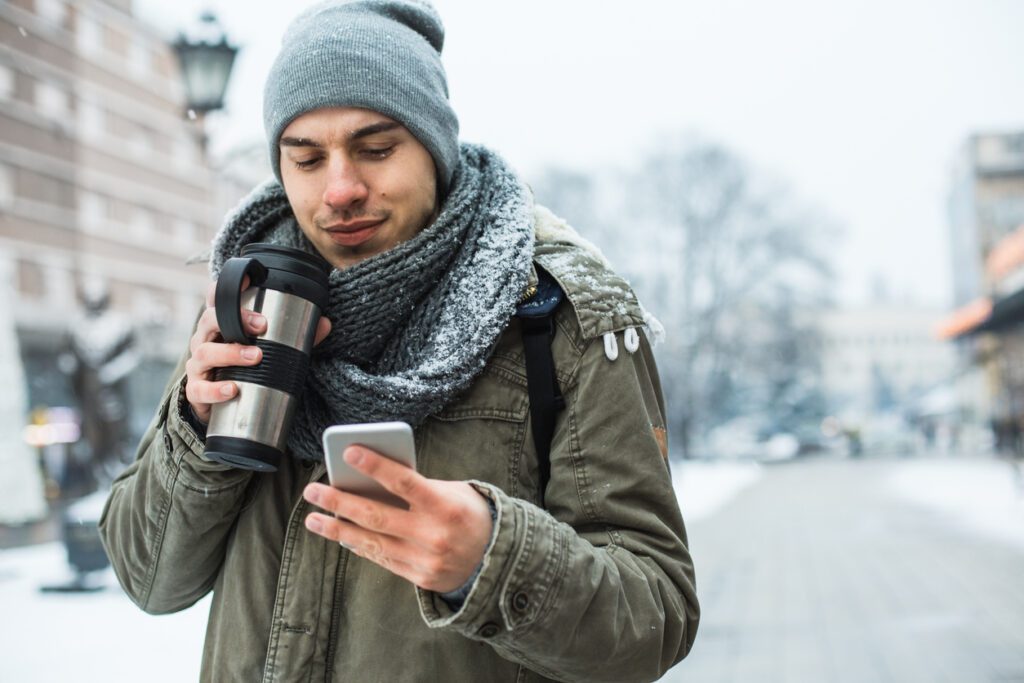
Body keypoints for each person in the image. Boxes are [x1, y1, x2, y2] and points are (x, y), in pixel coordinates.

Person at [99, 1, 699, 681]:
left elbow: (656, 616)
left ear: (433, 146)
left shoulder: (558, 312)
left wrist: (492, 561)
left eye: (376, 148)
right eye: (305, 158)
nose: (342, 188)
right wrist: (198, 422)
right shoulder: (252, 301)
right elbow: (149, 580)